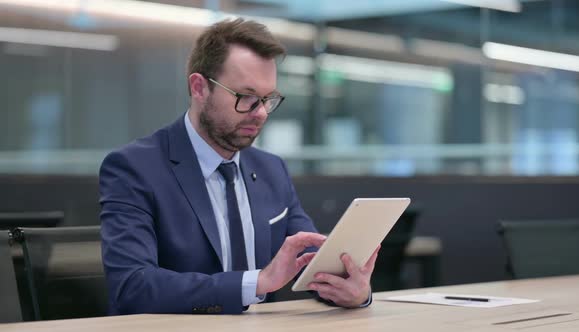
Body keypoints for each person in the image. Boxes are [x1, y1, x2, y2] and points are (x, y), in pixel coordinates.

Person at [99, 18, 378, 315]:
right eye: (245, 97)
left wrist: (352, 291)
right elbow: (132, 286)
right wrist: (256, 282)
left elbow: (311, 264)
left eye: (268, 99)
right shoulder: (134, 168)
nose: (260, 114)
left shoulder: (272, 170)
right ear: (199, 88)